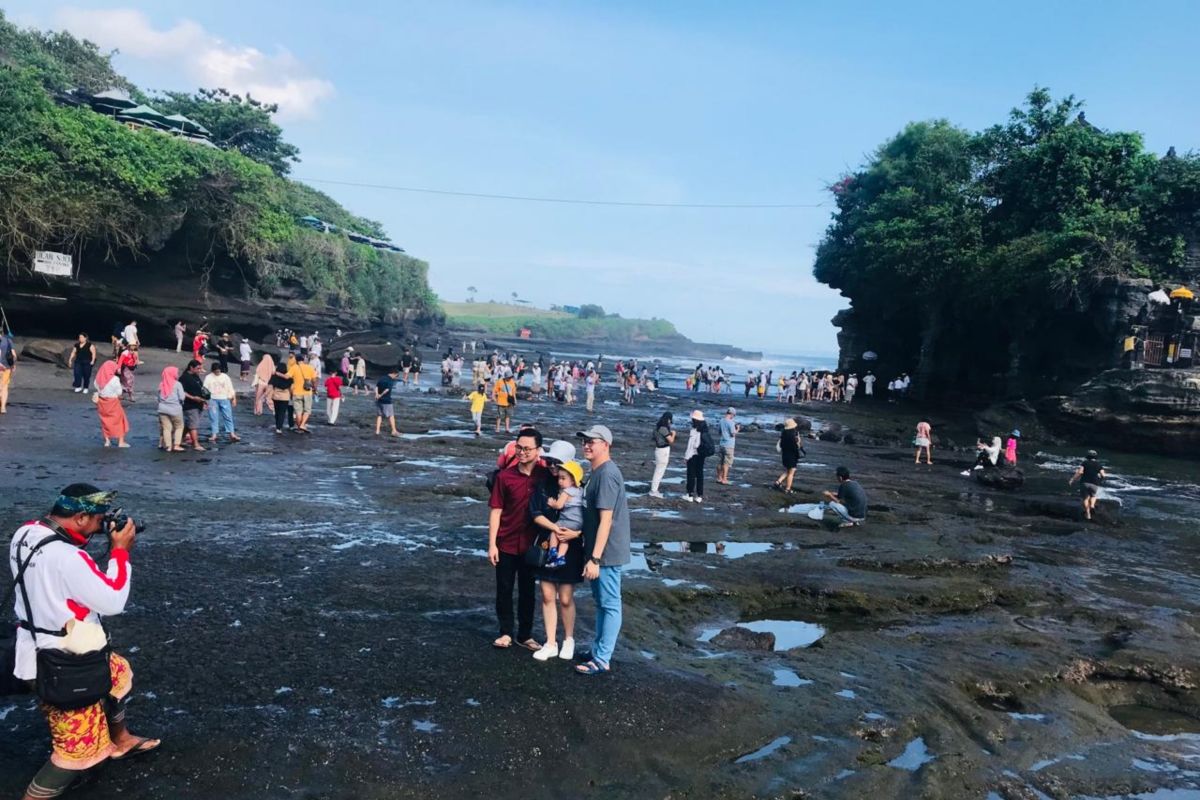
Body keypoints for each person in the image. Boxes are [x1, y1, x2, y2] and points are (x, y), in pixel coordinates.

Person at [8, 484, 159, 799]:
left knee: (116, 672)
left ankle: (121, 740)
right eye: (98, 520)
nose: (103, 525)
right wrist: (119, 551)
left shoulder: (26, 534)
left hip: (34, 649)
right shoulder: (69, 558)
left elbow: (55, 577)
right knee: (75, 752)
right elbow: (113, 600)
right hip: (65, 664)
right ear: (79, 518)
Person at [574, 424, 630, 676]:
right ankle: (598, 650)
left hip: (606, 551)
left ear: (606, 445)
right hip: (596, 549)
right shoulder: (595, 472)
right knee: (601, 603)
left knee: (610, 604)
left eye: (592, 441)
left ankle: (603, 659)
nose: (587, 445)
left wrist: (595, 557)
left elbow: (606, 520)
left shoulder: (607, 474)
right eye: (585, 441)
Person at [487, 427, 546, 652]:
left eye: (527, 448)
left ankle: (525, 635)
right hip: (505, 542)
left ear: (538, 450)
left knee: (528, 590)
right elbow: (496, 511)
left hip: (533, 545)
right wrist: (492, 544)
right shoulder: (505, 477)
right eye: (519, 447)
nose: (522, 452)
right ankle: (505, 632)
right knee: (504, 589)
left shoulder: (545, 476)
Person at [529, 441, 584, 661]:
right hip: (547, 543)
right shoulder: (543, 485)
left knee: (566, 597)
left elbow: (589, 517)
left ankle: (568, 639)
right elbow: (534, 512)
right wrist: (554, 528)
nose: (552, 466)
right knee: (547, 594)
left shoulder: (578, 487)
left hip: (571, 544)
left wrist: (577, 534)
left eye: (557, 463)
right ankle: (550, 642)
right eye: (550, 461)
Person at [787, 466, 868, 528]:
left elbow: (838, 501)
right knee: (847, 505)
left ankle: (847, 521)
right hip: (862, 516)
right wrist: (833, 493)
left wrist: (829, 495)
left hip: (854, 516)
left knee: (832, 504)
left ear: (840, 477)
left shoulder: (844, 485)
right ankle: (854, 521)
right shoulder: (854, 484)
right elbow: (843, 495)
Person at [543, 460, 585, 570]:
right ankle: (561, 557)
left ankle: (552, 550)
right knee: (564, 539)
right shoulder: (580, 490)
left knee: (554, 531)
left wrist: (552, 504)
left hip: (567, 519)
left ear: (573, 480)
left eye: (563, 478)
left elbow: (559, 505)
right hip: (578, 523)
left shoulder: (566, 492)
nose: (560, 481)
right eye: (559, 478)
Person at [91, 360, 129, 448]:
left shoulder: (97, 379)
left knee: (105, 421)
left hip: (102, 402)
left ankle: (107, 441)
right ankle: (121, 442)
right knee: (119, 421)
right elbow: (119, 392)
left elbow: (98, 389)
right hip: (113, 402)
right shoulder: (114, 379)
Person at [202, 362, 239, 443]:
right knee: (213, 417)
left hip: (224, 399)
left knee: (228, 416)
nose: (217, 373)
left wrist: (233, 398)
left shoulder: (225, 377)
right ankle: (214, 434)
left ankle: (231, 433)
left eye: (219, 371)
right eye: (216, 371)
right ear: (213, 370)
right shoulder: (208, 377)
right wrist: (205, 401)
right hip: (212, 400)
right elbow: (205, 389)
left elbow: (230, 388)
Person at [683, 410, 713, 503]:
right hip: (701, 455)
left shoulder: (695, 430)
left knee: (691, 475)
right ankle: (700, 496)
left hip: (693, 455)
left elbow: (692, 446)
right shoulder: (705, 429)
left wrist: (686, 457)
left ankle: (690, 494)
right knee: (700, 475)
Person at [179, 359, 209, 451]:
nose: (199, 370)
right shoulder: (184, 378)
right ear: (191, 367)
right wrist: (193, 397)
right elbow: (182, 392)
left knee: (189, 424)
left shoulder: (196, 376)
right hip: (189, 404)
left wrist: (204, 401)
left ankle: (180, 439)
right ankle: (196, 444)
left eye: (200, 368)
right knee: (193, 425)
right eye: (197, 368)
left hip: (199, 403)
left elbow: (201, 388)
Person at [1068, 449, 1106, 521]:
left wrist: (1072, 479)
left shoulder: (1085, 463)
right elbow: (1103, 475)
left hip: (1084, 482)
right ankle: (1092, 505)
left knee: (1085, 498)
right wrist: (1099, 480)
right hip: (1094, 483)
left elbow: (1080, 472)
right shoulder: (1099, 464)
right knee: (1093, 496)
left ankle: (1088, 514)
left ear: (1087, 456)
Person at [155, 365, 186, 452]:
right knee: (179, 426)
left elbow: (158, 397)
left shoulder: (162, 384)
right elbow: (182, 397)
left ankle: (168, 446)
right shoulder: (177, 384)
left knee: (166, 428)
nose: (177, 374)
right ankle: (176, 445)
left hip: (162, 409)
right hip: (175, 409)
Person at [772, 418, 806, 493]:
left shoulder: (783, 434)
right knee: (791, 473)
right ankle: (788, 489)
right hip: (792, 456)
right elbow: (796, 447)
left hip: (784, 455)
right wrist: (799, 442)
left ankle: (778, 482)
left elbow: (781, 445)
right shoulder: (794, 436)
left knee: (788, 470)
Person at [287, 353, 316, 433]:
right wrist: (315, 389)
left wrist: (278, 373)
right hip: (307, 392)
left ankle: (300, 428)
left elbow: (287, 376)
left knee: (298, 411)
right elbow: (314, 380)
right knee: (307, 410)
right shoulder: (310, 368)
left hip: (296, 392)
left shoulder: (294, 367)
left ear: (296, 360)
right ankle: (303, 425)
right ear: (303, 359)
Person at [649, 412, 676, 499]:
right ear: (668, 419)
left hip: (658, 449)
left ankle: (654, 490)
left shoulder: (657, 428)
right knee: (659, 471)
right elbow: (671, 441)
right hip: (663, 451)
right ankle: (653, 491)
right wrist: (674, 434)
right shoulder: (663, 429)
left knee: (658, 470)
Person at [715, 407, 741, 485]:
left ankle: (719, 477)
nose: (734, 417)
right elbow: (733, 434)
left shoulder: (721, 421)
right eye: (734, 415)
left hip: (722, 444)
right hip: (729, 445)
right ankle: (724, 479)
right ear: (732, 414)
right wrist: (738, 429)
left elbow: (719, 432)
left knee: (720, 461)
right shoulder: (731, 422)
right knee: (727, 463)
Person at [268, 362, 293, 434]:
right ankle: (279, 428)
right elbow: (291, 388)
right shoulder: (289, 378)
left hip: (276, 396)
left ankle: (277, 425)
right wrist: (292, 396)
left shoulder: (274, 376)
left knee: (277, 412)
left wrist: (268, 396)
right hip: (285, 397)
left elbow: (270, 386)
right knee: (282, 412)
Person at [375, 367, 400, 437]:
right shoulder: (390, 381)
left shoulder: (382, 378)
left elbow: (376, 387)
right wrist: (381, 395)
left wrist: (377, 394)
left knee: (379, 415)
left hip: (379, 400)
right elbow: (387, 390)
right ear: (394, 374)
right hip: (386, 400)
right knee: (391, 415)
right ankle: (394, 430)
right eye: (396, 376)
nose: (396, 377)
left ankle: (377, 431)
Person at [0, 329, 14, 414]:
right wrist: (13, 365)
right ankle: (3, 407)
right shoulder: (8, 340)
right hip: (7, 367)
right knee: (4, 387)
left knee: (0, 387)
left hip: (1, 367)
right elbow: (14, 355)